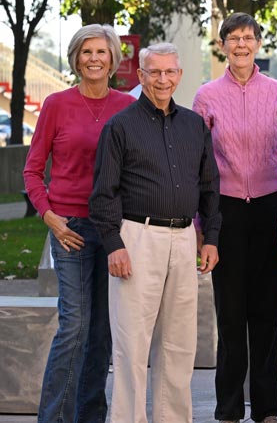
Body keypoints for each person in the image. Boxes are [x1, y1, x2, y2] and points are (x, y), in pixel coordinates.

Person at [89, 42, 222, 423]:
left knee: (179, 344)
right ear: (141, 76)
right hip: (137, 238)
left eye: (170, 72)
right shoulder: (121, 126)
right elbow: (103, 193)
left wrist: (210, 236)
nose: (163, 79)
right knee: (131, 344)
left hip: (183, 241)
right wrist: (114, 245)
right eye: (154, 72)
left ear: (178, 76)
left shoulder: (194, 124)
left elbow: (210, 186)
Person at [23, 24, 135, 423]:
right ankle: (52, 418)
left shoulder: (127, 106)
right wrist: (50, 217)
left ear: (113, 60)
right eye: (86, 51)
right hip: (68, 227)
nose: (93, 58)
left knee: (102, 331)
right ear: (75, 58)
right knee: (74, 324)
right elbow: (33, 172)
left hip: (113, 230)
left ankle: (89, 416)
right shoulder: (56, 104)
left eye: (101, 52)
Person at [192, 12, 277, 423]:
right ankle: (229, 407)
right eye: (233, 38)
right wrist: (203, 228)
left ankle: (268, 409)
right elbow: (200, 165)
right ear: (222, 45)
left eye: (248, 38)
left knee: (266, 312)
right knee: (230, 314)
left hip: (272, 208)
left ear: (257, 44)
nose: (241, 44)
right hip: (226, 212)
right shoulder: (206, 96)